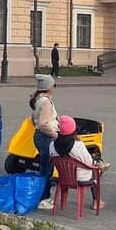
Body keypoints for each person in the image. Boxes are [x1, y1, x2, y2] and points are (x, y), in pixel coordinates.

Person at [50, 115, 108, 211]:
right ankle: (97, 201)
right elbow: (89, 163)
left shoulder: (52, 145)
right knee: (96, 171)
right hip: (80, 178)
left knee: (96, 165)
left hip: (62, 176)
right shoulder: (78, 146)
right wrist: (98, 164)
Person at [30, 74, 59, 210]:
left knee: (44, 167)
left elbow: (34, 120)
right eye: (53, 85)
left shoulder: (37, 100)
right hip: (45, 137)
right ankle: (43, 198)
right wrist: (55, 135)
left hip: (39, 136)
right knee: (46, 169)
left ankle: (41, 196)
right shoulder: (46, 102)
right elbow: (43, 124)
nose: (54, 88)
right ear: (48, 88)